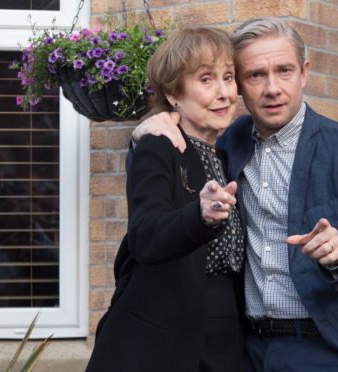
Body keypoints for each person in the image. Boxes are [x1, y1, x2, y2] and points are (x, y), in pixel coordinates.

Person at [131, 17, 338, 372]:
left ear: (304, 73)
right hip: (249, 349)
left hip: (329, 346)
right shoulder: (230, 142)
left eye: (284, 70)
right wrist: (146, 130)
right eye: (256, 75)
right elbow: (178, 154)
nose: (272, 88)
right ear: (240, 85)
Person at [86, 27, 246, 372]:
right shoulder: (158, 146)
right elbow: (146, 235)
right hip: (158, 337)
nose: (224, 93)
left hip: (224, 336)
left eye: (228, 77)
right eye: (206, 79)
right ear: (173, 95)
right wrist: (200, 216)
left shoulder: (229, 151)